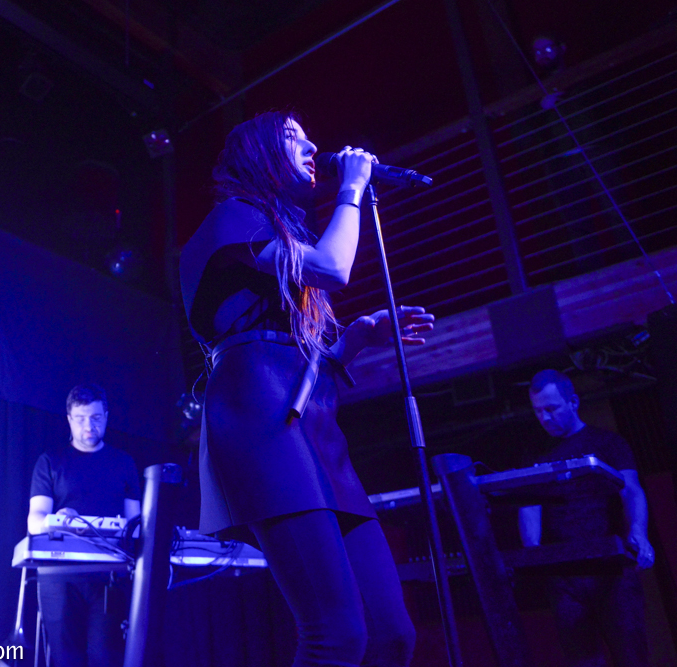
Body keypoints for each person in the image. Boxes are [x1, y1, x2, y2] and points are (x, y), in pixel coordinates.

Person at [179, 110, 434, 667]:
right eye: (295, 137)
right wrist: (352, 188)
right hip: (258, 413)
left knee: (392, 637)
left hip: (307, 416)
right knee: (334, 635)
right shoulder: (231, 219)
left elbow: (306, 359)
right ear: (259, 154)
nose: (314, 144)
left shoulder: (273, 235)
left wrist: (360, 337)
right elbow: (333, 267)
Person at [518, 369, 653, 667]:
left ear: (574, 402)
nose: (545, 418)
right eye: (538, 411)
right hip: (565, 575)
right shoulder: (536, 454)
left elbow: (631, 491)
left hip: (612, 569)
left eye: (551, 409)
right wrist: (533, 551)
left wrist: (639, 532)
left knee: (631, 655)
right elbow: (529, 504)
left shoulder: (608, 443)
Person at [28, 383, 142, 667]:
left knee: (106, 658)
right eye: (80, 419)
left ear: (106, 416)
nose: (88, 426)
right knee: (66, 659)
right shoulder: (50, 461)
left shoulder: (123, 463)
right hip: (59, 576)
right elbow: (35, 520)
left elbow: (136, 525)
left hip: (109, 577)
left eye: (95, 418)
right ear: (69, 420)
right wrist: (57, 523)